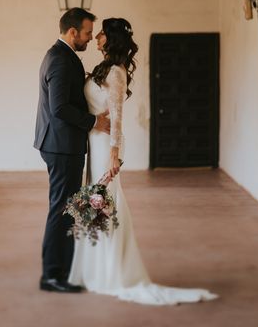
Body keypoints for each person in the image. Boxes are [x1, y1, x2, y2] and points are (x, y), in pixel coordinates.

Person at [68, 17, 218, 305]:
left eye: (101, 33)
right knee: (95, 202)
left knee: (103, 203)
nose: (97, 36)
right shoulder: (103, 69)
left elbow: (118, 118)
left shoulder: (117, 72)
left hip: (105, 147)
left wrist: (114, 156)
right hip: (94, 142)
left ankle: (110, 272)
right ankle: (95, 268)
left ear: (111, 39)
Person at [34, 7, 110, 293]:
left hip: (62, 143)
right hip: (61, 145)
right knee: (61, 209)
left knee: (65, 208)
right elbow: (59, 108)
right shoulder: (60, 60)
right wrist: (94, 122)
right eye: (88, 33)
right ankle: (53, 275)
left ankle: (62, 268)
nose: (90, 38)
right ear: (73, 32)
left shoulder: (64, 56)